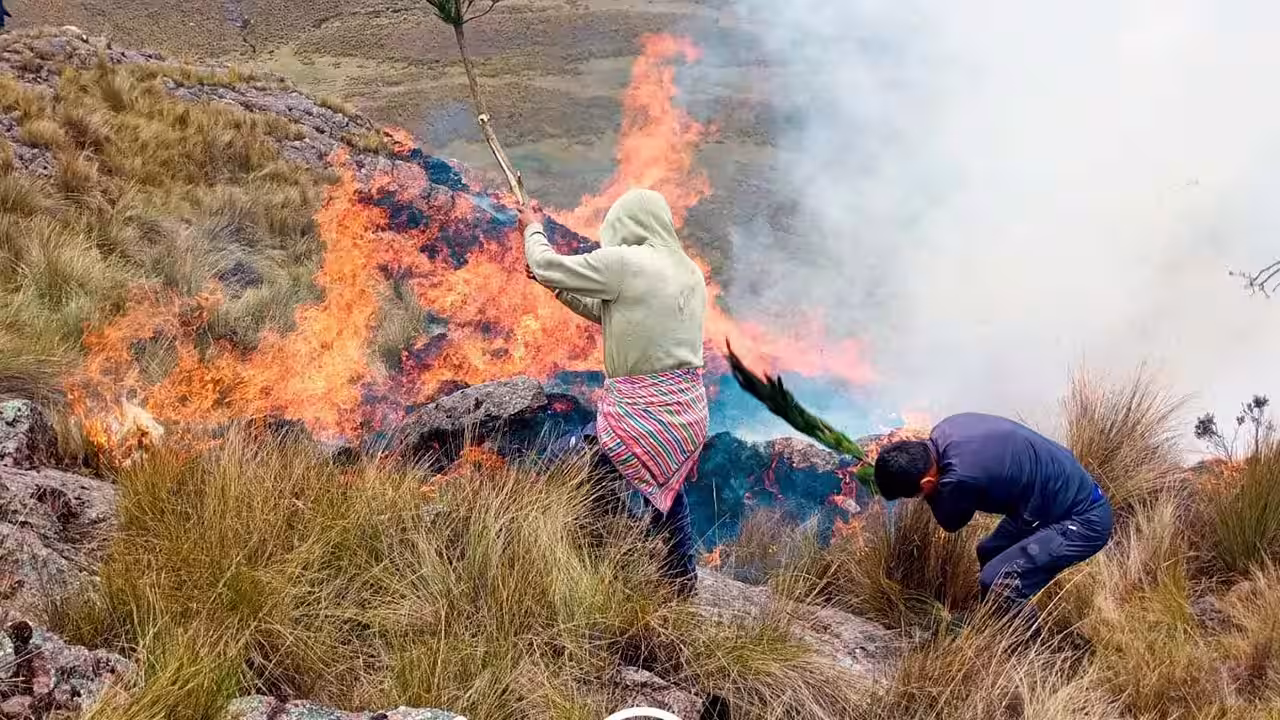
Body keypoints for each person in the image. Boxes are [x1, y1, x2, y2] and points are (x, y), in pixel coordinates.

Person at [518, 189, 709, 599]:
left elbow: (546, 263)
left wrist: (532, 228)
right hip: (687, 414)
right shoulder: (689, 271)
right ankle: (681, 582)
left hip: (640, 414)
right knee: (667, 490)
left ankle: (546, 552)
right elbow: (612, 311)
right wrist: (556, 287)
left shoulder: (625, 262)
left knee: (569, 460)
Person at [874, 412, 1113, 625]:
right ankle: (992, 621)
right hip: (1049, 503)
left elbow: (951, 522)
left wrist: (932, 492)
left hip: (1083, 521)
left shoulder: (959, 478)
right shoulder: (945, 429)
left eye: (916, 494)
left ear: (925, 483)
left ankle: (1030, 649)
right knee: (989, 552)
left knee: (998, 579)